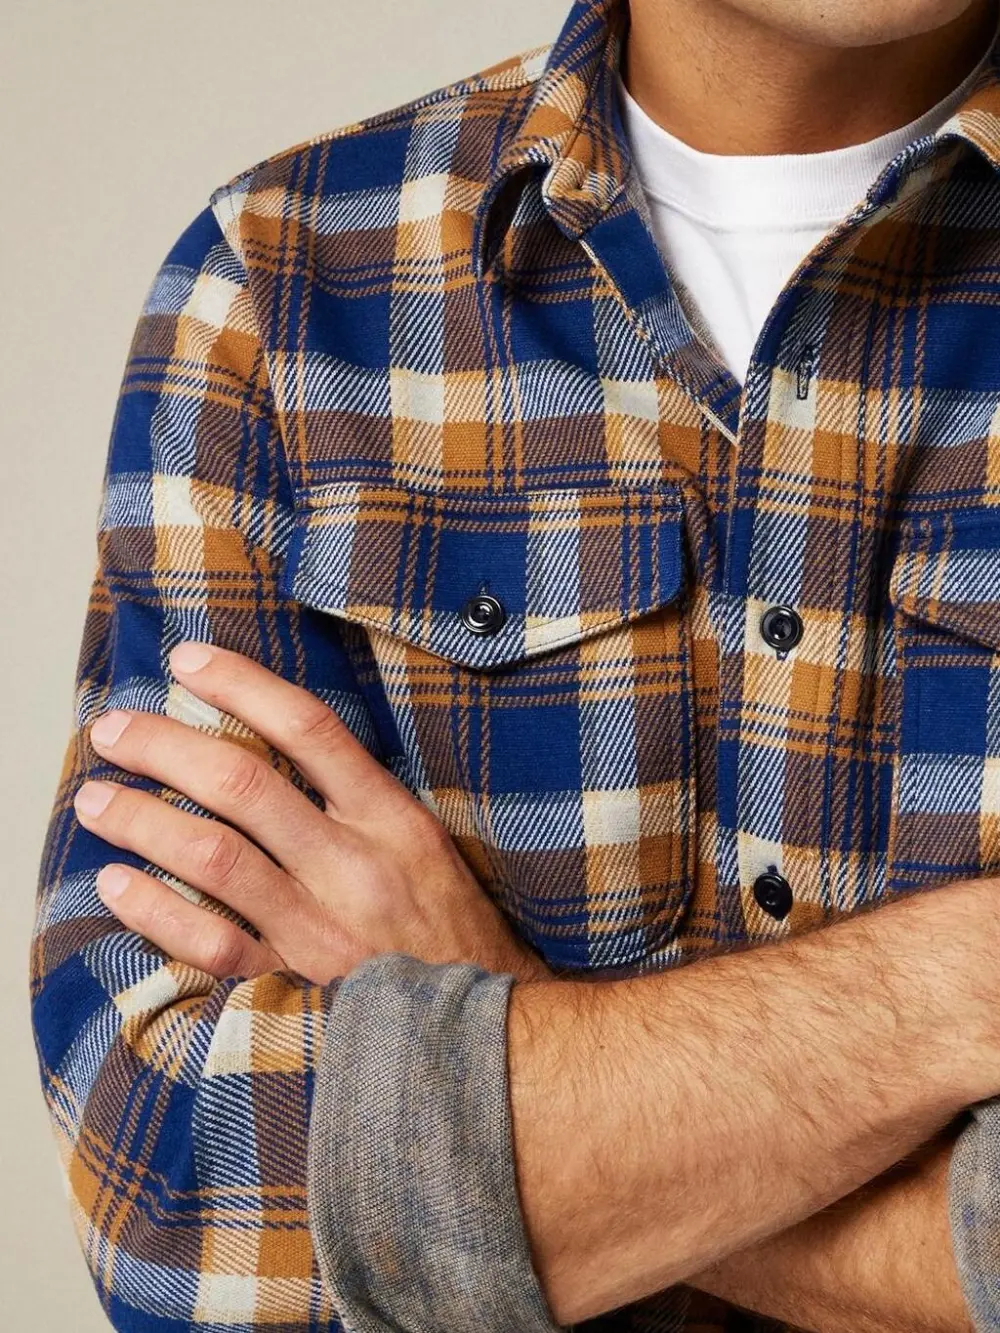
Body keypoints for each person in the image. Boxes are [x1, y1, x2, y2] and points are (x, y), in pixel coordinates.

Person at [30, 0, 1000, 1327]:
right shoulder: (285, 278)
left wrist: (483, 1044)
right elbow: (186, 1218)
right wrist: (957, 989)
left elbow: (327, 1201)